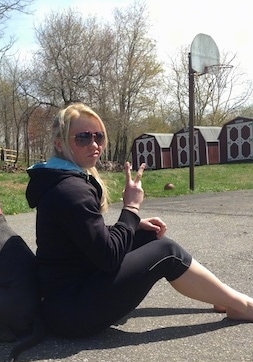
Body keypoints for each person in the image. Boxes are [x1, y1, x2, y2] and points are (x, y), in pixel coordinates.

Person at [25, 102, 253, 338]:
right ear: (59, 144)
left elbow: (82, 238)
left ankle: (223, 297)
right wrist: (131, 208)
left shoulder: (60, 179)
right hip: (72, 313)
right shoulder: (70, 189)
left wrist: (133, 224)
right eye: (82, 138)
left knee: (146, 235)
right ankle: (242, 306)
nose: (94, 145)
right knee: (167, 251)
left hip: (66, 297)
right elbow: (108, 256)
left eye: (99, 137)